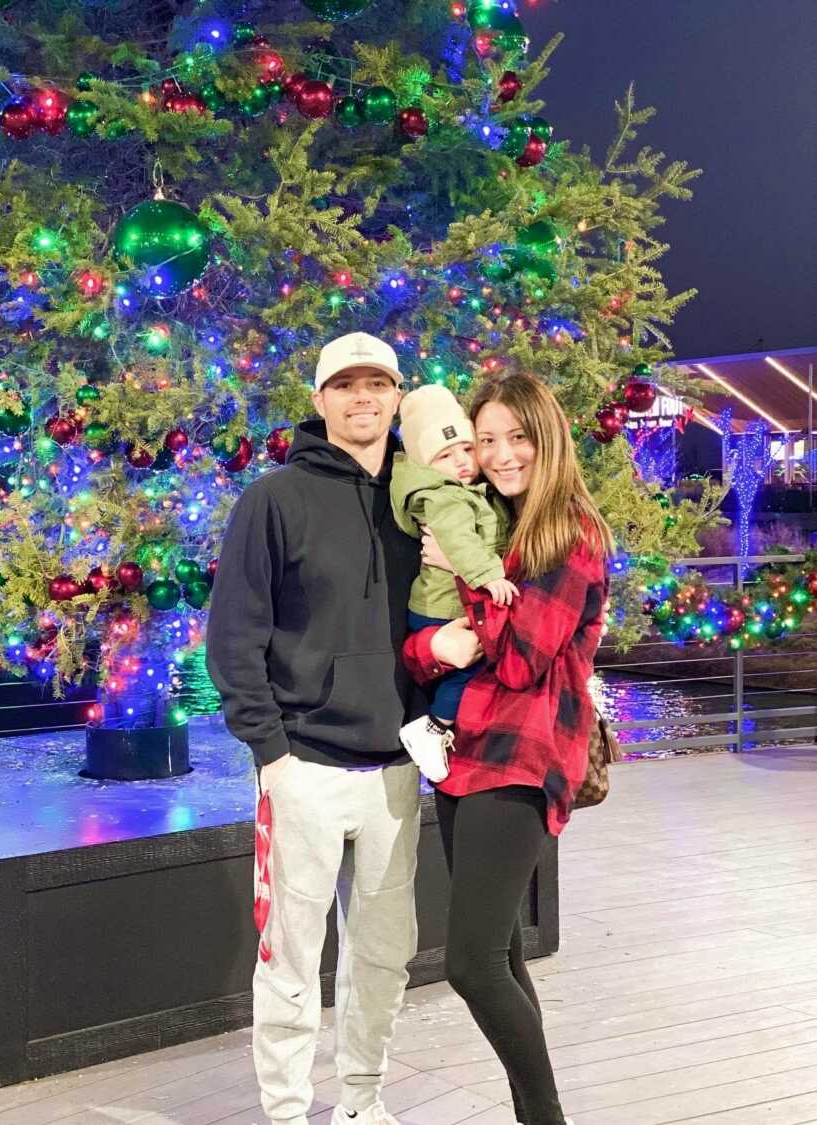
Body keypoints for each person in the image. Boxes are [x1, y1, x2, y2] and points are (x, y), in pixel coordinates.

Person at [206, 331, 424, 1125]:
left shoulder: (419, 495)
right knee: (291, 960)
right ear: (321, 399)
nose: (362, 399)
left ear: (398, 396)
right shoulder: (275, 499)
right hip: (303, 766)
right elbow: (234, 634)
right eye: (346, 386)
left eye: (378, 384)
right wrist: (270, 751)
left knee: (382, 956)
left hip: (398, 771)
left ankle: (362, 1103)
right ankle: (288, 1110)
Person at [403, 370, 613, 1125]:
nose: (499, 453)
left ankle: (547, 1117)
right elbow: (423, 652)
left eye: (515, 437)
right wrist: (439, 639)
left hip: (524, 757)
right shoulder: (493, 524)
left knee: (470, 963)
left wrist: (459, 575)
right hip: (468, 757)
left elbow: (522, 658)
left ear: (545, 438)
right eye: (484, 438)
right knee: (503, 956)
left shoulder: (571, 535)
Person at [390, 384, 515, 782]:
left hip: (444, 602)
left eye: (466, 448)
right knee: (468, 669)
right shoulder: (444, 498)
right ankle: (434, 728)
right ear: (426, 463)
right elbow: (459, 540)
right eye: (445, 455)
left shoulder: (467, 490)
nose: (462, 461)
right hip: (440, 607)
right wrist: (489, 574)